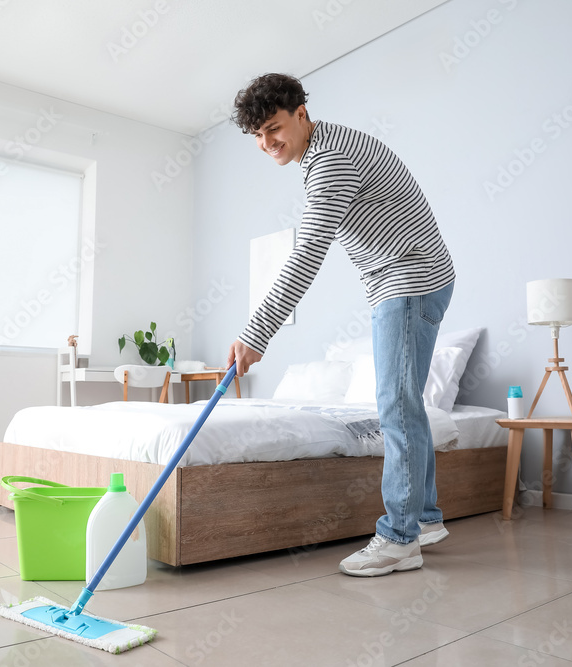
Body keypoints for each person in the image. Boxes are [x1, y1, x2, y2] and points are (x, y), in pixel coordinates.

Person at [226, 73, 456, 577]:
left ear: (300, 113)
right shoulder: (324, 149)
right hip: (412, 277)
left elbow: (307, 253)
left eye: (274, 128)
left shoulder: (330, 161)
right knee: (405, 402)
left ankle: (400, 539)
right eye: (258, 137)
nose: (267, 144)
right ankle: (426, 517)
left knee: (394, 405)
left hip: (409, 276)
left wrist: (256, 333)